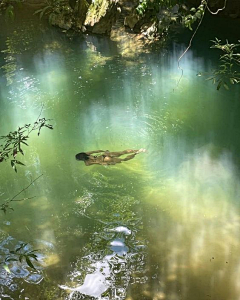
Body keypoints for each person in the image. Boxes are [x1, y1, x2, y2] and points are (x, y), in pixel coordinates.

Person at [75, 149, 147, 166]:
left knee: (124, 160)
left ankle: (136, 153)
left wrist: (109, 164)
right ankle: (139, 150)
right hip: (104, 155)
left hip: (106, 159)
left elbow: (99, 162)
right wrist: (105, 151)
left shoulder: (87, 163)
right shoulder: (87, 153)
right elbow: (97, 150)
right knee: (122, 152)